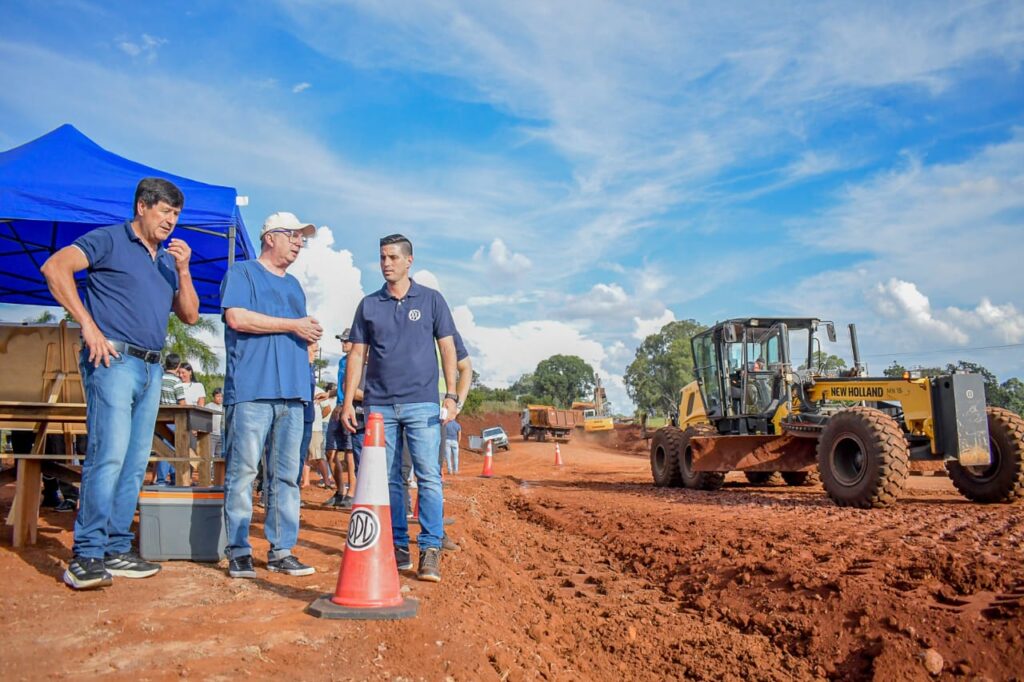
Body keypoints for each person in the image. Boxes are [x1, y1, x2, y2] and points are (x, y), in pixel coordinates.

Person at [40, 177, 199, 590]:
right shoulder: (108, 239)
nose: (171, 221)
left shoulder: (166, 262)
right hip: (113, 360)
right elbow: (54, 268)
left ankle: (115, 547)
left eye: (176, 214)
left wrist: (183, 270)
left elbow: (190, 315)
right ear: (142, 207)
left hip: (152, 368)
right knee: (107, 456)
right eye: (165, 211)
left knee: (133, 463)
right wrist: (88, 326)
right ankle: (86, 554)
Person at [342, 233, 459, 583]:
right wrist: (347, 402)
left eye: (393, 257)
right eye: (382, 257)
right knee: (389, 479)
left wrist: (451, 395)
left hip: (422, 403)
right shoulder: (369, 305)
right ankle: (397, 547)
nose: (386, 263)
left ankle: (431, 548)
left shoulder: (432, 300)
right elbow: (357, 355)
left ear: (409, 260)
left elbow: (448, 348)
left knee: (428, 476)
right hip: (379, 406)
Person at [220, 211, 321, 579]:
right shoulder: (243, 273)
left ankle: (281, 550)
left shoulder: (294, 286)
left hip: (292, 392)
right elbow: (237, 318)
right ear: (270, 237)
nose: (298, 242)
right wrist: (294, 325)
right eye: (293, 235)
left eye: (301, 237)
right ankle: (239, 550)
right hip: (252, 390)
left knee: (286, 477)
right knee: (243, 473)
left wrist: (307, 336)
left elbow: (298, 333)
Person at [156, 353, 188, 486]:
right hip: (173, 419)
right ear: (178, 365)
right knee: (172, 449)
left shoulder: (159, 378)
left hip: (158, 417)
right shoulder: (176, 381)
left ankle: (165, 478)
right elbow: (182, 403)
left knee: (162, 449)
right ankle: (169, 479)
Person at [208, 387, 224, 459]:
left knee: (219, 455)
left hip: (221, 435)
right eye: (218, 396)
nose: (220, 398)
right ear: (214, 397)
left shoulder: (223, 407)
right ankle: (209, 467)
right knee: (210, 455)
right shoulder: (209, 406)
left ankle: (217, 467)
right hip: (212, 434)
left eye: (221, 396)